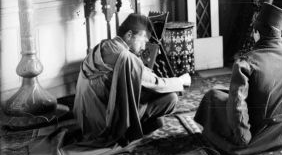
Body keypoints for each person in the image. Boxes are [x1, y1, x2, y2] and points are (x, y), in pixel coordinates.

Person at [194, 3, 282, 155]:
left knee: (213, 96)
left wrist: (243, 137)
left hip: (260, 132)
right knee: (224, 93)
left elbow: (237, 104)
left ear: (257, 32)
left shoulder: (246, 62)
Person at [73, 13, 192, 146]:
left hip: (85, 119)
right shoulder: (125, 57)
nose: (143, 47)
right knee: (171, 99)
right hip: (104, 126)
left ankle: (137, 125)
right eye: (143, 41)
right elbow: (154, 83)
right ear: (129, 35)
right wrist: (180, 81)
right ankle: (129, 131)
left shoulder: (106, 45)